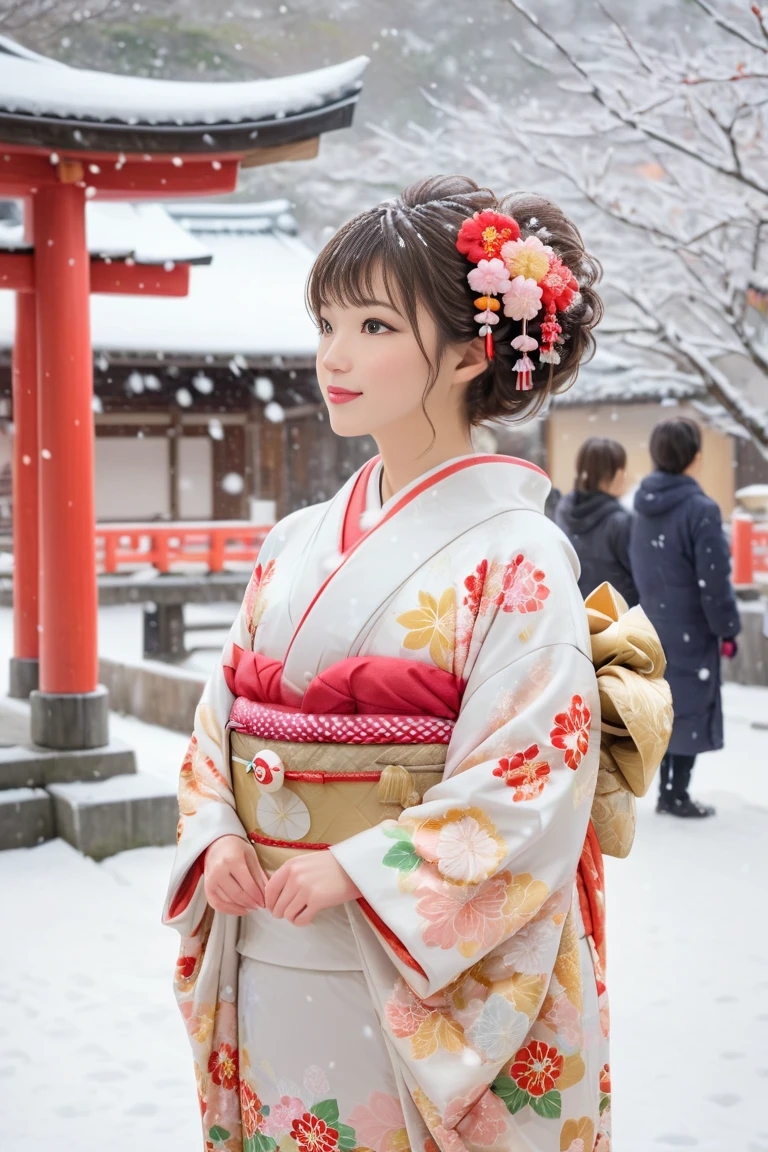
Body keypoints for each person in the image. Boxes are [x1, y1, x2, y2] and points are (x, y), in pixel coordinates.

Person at [163, 176, 614, 1152]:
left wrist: (363, 869)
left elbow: (531, 782)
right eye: (327, 322)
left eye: (371, 325)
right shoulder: (291, 542)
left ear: (465, 350)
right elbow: (218, 730)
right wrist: (220, 835)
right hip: (271, 948)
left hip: (406, 969)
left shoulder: (519, 556)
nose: (333, 355)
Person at [630, 417, 741, 818]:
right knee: (689, 709)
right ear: (694, 458)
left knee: (667, 709)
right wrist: (727, 628)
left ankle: (669, 791)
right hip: (693, 627)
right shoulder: (701, 510)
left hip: (656, 627)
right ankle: (676, 794)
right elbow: (715, 581)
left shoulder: (641, 507)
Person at [555, 437, 638, 606]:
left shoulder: (563, 513)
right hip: (616, 622)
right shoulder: (620, 523)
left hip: (577, 617)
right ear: (614, 474)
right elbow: (641, 576)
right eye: (622, 469)